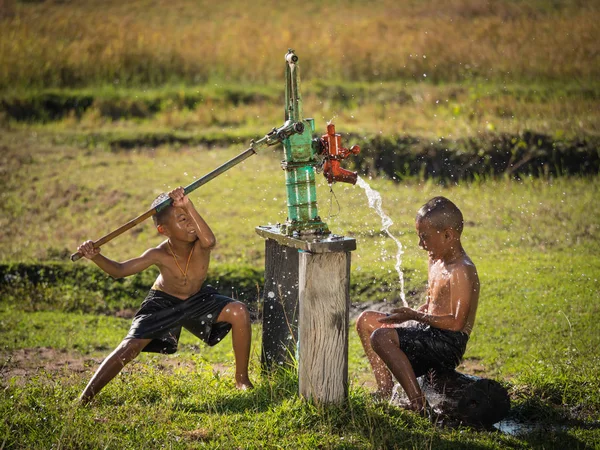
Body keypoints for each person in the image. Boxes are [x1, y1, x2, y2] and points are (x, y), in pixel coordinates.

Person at [77, 187, 253, 404]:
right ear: (163, 229)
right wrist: (96, 257)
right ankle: (84, 398)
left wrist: (187, 205)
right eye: (182, 219)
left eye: (190, 216)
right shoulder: (158, 254)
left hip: (197, 299)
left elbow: (210, 241)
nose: (190, 223)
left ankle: (241, 379)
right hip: (163, 303)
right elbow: (119, 271)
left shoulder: (200, 245)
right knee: (130, 347)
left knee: (239, 310)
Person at [356, 196, 479, 414]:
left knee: (381, 337)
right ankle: (385, 393)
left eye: (425, 238)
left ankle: (418, 405)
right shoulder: (436, 260)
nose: (421, 244)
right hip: (429, 331)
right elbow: (432, 305)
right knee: (367, 321)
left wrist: (414, 316)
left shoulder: (461, 270)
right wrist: (412, 315)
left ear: (448, 235)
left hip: (448, 343)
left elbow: (457, 323)